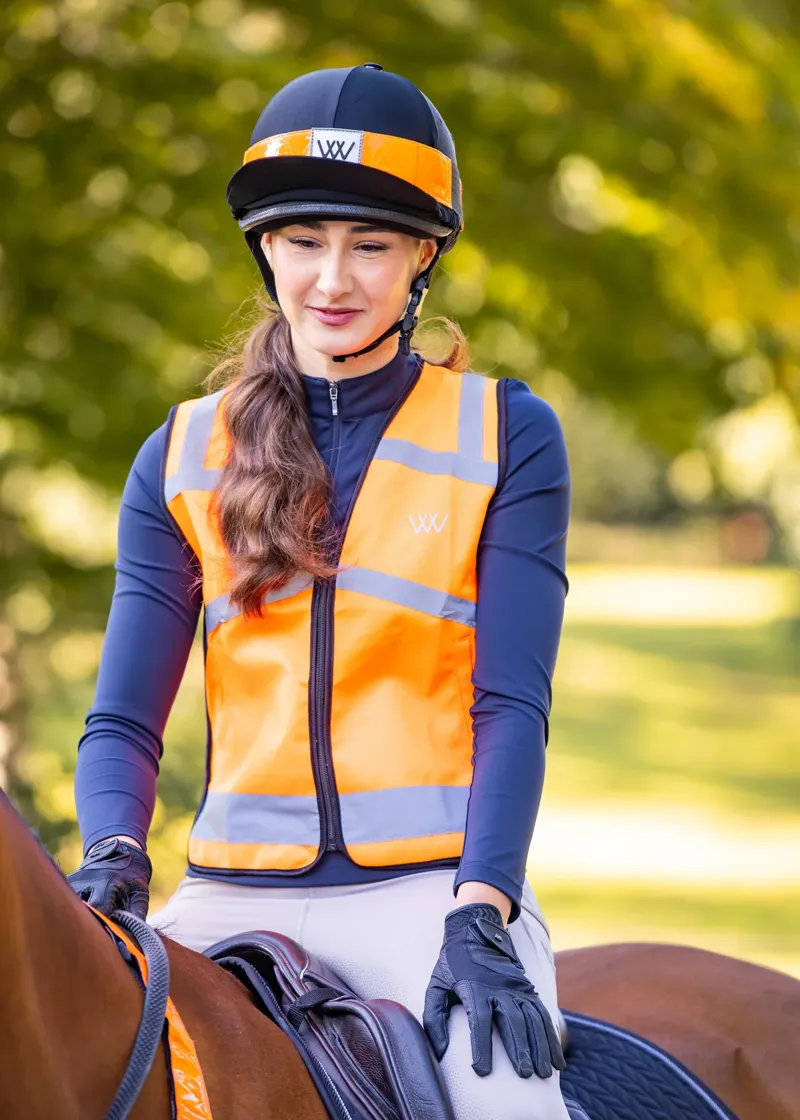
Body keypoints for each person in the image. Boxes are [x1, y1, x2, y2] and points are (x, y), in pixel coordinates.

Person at [67, 63, 574, 1120]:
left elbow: (509, 707)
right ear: (266, 248)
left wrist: (480, 911)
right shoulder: (181, 454)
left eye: (370, 245)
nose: (331, 278)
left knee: (506, 1103)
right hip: (223, 898)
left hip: (426, 898)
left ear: (422, 256)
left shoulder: (503, 435)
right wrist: (114, 852)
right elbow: (122, 717)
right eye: (303, 242)